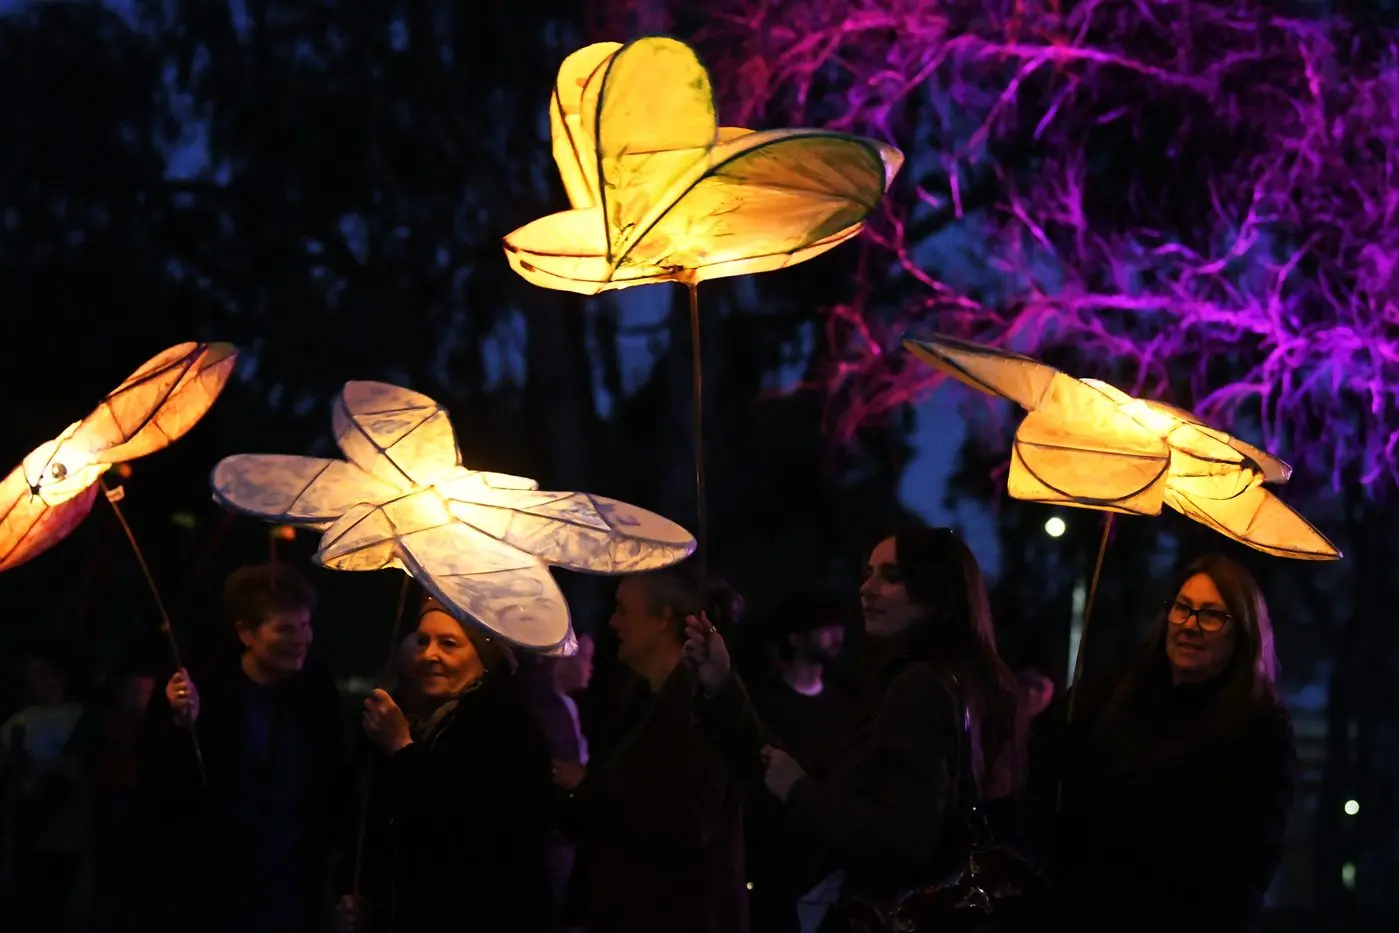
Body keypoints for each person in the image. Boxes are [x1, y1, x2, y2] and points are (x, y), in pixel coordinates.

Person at [686, 527, 1025, 931]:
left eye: (891, 577)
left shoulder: (922, 687)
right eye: (868, 573)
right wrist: (724, 684)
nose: (867, 588)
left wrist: (800, 792)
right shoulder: (970, 681)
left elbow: (903, 838)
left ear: (936, 592)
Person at [1039, 554, 1296, 933]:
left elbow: (1245, 864)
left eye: (1211, 615)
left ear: (1242, 632)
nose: (1190, 626)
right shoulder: (1115, 696)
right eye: (1183, 608)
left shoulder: (1258, 730)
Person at [135, 562, 349, 933]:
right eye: (285, 628)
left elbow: (337, 784)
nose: (302, 638)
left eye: (305, 624)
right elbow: (161, 787)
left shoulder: (317, 693)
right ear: (246, 633)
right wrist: (180, 726)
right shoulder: (202, 686)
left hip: (290, 880)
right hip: (212, 886)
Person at [338, 597, 554, 933]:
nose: (429, 655)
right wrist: (367, 899)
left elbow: (465, 832)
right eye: (423, 641)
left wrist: (401, 749)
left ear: (485, 656)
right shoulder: (415, 716)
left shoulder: (508, 730)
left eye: (448, 644)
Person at [553, 568, 747, 933]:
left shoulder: (698, 708)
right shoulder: (641, 700)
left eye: (624, 611)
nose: (613, 623)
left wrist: (586, 786)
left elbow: (686, 824)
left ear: (662, 619)